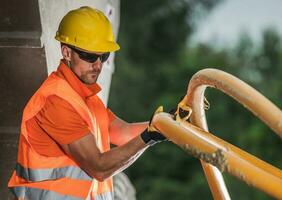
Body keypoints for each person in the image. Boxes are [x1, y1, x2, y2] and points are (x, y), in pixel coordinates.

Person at [8, 6, 167, 200]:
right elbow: (98, 167)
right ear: (66, 52)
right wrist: (149, 137)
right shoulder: (55, 101)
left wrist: (166, 123)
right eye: (90, 56)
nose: (98, 65)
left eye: (103, 56)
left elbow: (123, 132)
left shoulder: (87, 99)